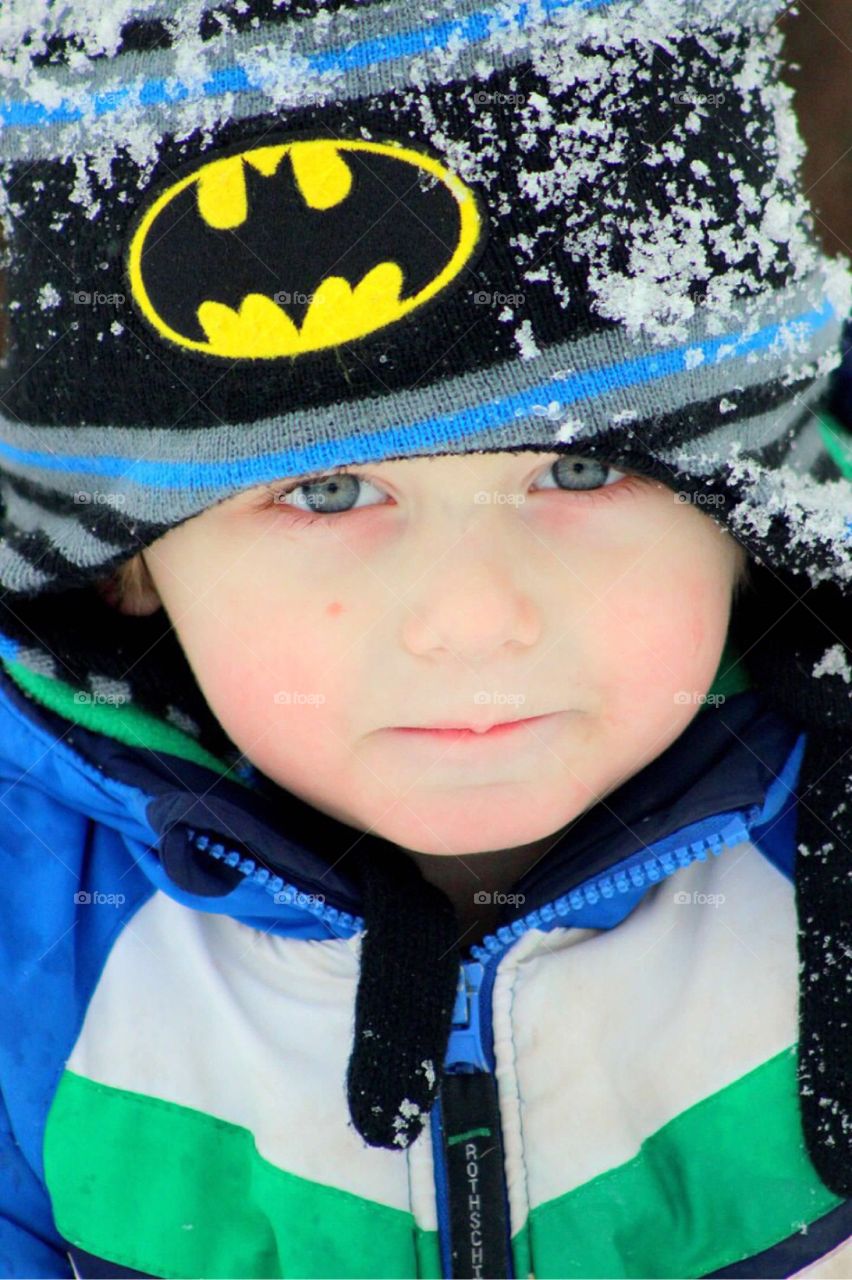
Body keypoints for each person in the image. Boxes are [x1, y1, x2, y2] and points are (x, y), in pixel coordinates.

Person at [0, 1, 850, 1277]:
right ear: (127, 569)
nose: (475, 619)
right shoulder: (32, 932)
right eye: (330, 492)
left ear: (751, 511)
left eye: (579, 469)